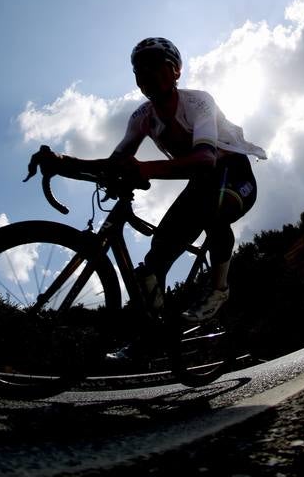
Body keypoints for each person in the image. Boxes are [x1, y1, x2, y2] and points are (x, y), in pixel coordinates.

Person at [30, 37, 266, 325]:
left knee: (212, 210)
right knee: (152, 266)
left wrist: (143, 169)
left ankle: (219, 290)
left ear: (176, 71)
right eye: (139, 70)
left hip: (233, 173)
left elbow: (206, 159)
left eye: (154, 65)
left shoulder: (197, 101)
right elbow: (114, 164)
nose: (145, 74)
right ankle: (152, 337)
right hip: (200, 183)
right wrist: (62, 163)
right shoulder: (142, 116)